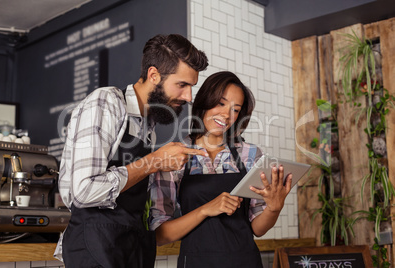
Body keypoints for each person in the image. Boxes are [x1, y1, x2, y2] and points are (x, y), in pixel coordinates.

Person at [54, 34, 209, 268]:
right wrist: (154, 162)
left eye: (191, 87)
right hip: (97, 245)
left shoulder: (148, 125)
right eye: (182, 85)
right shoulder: (106, 102)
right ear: (154, 75)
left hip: (131, 245)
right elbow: (83, 191)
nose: (188, 97)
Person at [149, 71, 293, 267]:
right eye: (221, 103)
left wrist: (274, 208)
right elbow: (160, 234)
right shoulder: (175, 155)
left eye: (235, 110)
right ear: (205, 102)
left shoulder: (250, 154)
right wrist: (206, 210)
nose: (226, 115)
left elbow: (258, 228)